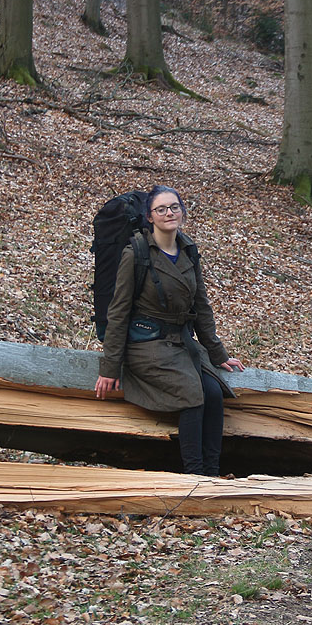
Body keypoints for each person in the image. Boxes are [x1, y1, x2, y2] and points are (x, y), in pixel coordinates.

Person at [94, 185, 245, 476]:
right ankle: (194, 477)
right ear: (150, 217)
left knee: (214, 393)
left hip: (181, 343)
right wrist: (110, 367)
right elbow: (118, 312)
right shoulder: (136, 253)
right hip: (146, 345)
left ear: (182, 212)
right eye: (161, 209)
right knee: (191, 393)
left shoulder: (188, 250)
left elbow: (201, 306)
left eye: (174, 207)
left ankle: (212, 474)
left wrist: (218, 353)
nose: (169, 213)